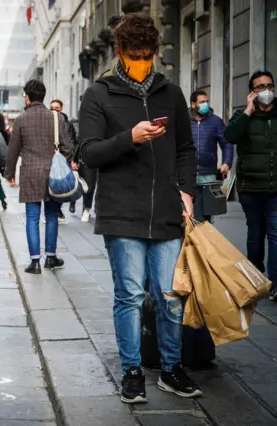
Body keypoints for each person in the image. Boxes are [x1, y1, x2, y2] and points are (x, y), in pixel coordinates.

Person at [78, 13, 200, 404]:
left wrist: (186, 191)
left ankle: (171, 367)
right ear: (120, 52)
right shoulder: (100, 94)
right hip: (120, 211)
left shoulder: (171, 93)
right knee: (129, 295)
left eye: (147, 55)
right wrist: (128, 138)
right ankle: (132, 371)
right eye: (134, 55)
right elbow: (88, 153)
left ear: (155, 53)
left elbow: (185, 149)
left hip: (166, 210)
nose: (141, 61)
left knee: (169, 295)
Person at [5, 80, 72, 274]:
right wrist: (60, 163)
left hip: (30, 174)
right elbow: (68, 147)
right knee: (51, 215)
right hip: (53, 174)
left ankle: (35, 262)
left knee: (32, 218)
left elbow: (13, 150)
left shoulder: (21, 119)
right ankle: (50, 257)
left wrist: (9, 173)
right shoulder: (56, 118)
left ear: (27, 96)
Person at [224, 70, 277, 300]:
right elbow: (230, 136)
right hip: (250, 188)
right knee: (255, 235)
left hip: (275, 188)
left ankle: (274, 283)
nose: (265, 91)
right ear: (251, 93)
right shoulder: (242, 116)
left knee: (276, 235)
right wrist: (247, 112)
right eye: (259, 87)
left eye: (269, 86)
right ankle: (255, 275)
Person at [189, 90, 234, 222]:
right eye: (202, 102)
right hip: (187, 173)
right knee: (188, 212)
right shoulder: (183, 121)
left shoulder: (216, 122)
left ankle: (205, 240)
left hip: (208, 174)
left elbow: (227, 144)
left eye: (206, 101)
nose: (205, 104)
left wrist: (227, 162)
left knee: (206, 213)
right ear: (193, 104)